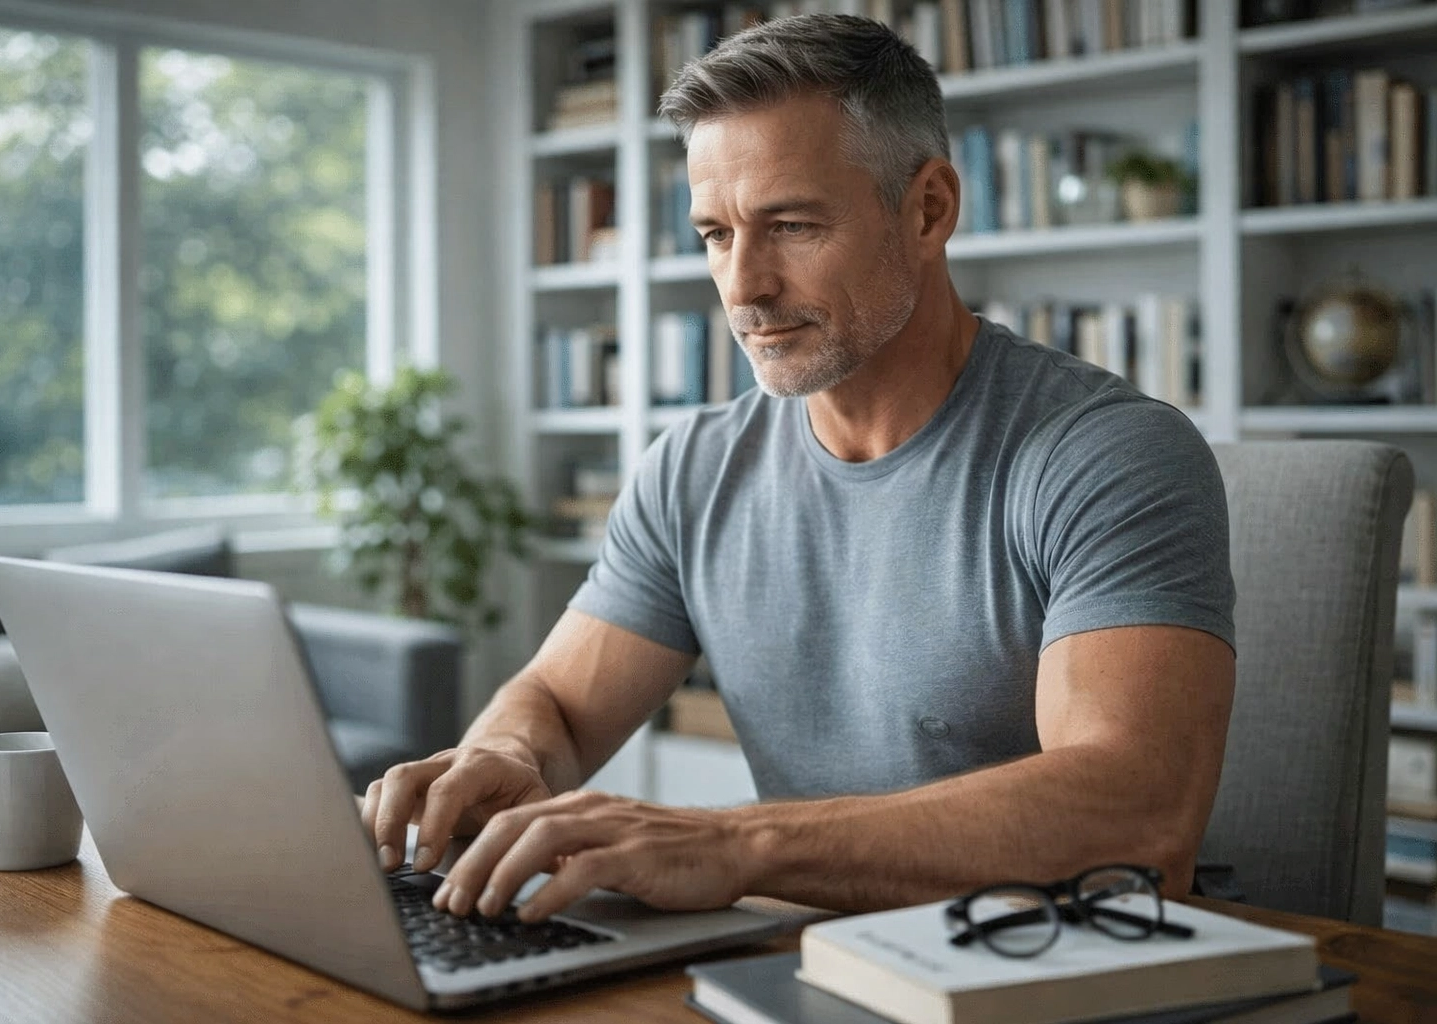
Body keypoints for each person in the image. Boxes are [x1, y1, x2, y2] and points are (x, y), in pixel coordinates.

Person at [361, 12, 1235, 925]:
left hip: (1058, 959)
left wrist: (739, 845)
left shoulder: (1103, 454)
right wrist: (505, 754)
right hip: (809, 955)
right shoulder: (695, 469)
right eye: (714, 235)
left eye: (790, 225)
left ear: (929, 208)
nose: (742, 288)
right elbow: (559, 706)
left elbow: (1138, 815)